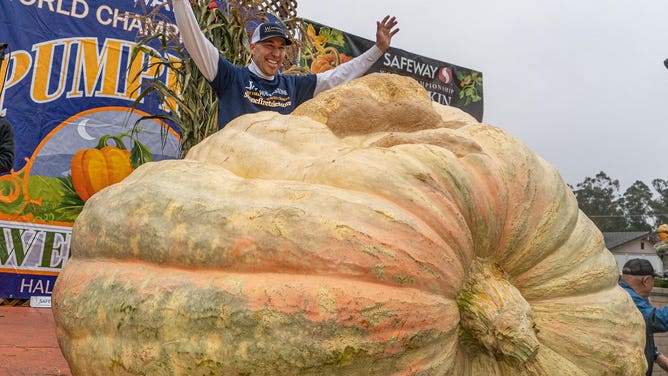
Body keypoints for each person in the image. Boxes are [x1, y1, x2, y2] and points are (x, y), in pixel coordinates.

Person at [173, 0, 399, 129]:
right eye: (269, 45)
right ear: (253, 48)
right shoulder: (230, 78)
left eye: (281, 48)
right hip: (232, 177)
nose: (276, 53)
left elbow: (338, 76)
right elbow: (195, 41)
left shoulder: (293, 86)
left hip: (274, 182)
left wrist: (376, 49)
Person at [619, 258, 668, 375]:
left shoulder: (620, 293)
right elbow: (657, 320)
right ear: (646, 281)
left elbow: (637, 337)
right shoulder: (628, 299)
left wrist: (657, 356)